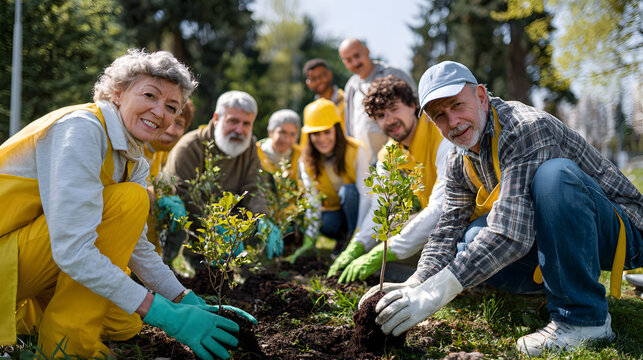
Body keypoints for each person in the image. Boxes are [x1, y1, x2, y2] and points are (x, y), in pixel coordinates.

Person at [361, 61, 643, 356]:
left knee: (554, 176)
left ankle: (586, 320)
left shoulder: (526, 128)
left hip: (622, 232)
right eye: (439, 116)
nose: (453, 122)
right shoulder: (459, 157)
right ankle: (559, 286)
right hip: (571, 237)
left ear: (481, 96)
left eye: (458, 105)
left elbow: (511, 233)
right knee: (470, 237)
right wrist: (418, 281)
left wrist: (434, 295)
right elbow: (447, 227)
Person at [0, 49, 256, 360]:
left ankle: (22, 319)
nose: (160, 112)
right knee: (132, 201)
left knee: (125, 323)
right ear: (118, 93)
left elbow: (135, 244)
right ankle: (68, 348)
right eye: (150, 95)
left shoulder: (132, 158)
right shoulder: (82, 129)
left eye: (171, 106)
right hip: (7, 260)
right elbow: (73, 250)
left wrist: (182, 298)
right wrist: (162, 313)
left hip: (26, 260)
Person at [328, 75, 453, 283]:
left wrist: (378, 256)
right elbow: (381, 208)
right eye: (381, 115)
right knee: (395, 233)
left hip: (462, 218)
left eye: (394, 109)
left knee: (394, 249)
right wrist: (358, 245)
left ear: (412, 105)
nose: (390, 120)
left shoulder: (440, 134)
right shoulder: (389, 153)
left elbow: (441, 208)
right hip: (435, 219)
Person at [162, 90, 282, 266]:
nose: (239, 130)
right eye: (233, 121)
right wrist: (216, 229)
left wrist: (262, 217)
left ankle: (251, 274)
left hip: (227, 222)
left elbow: (254, 187)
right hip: (196, 224)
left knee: (257, 227)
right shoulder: (190, 148)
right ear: (217, 118)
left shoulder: (248, 147)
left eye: (246, 123)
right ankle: (178, 266)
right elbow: (184, 196)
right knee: (175, 217)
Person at [293, 98, 371, 260]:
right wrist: (310, 240)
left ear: (337, 129)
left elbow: (366, 195)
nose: (322, 139)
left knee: (348, 192)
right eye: (315, 134)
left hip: (356, 209)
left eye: (327, 132)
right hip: (334, 213)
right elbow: (313, 201)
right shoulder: (305, 161)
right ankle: (342, 240)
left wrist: (359, 236)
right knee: (325, 223)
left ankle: (352, 240)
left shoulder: (357, 150)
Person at [339, 38, 416, 164]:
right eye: (348, 60)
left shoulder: (392, 73)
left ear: (367, 51)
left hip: (399, 160)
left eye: (357, 56)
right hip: (366, 164)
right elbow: (349, 125)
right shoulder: (351, 86)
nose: (355, 62)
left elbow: (416, 110)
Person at [145, 99, 194, 254]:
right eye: (168, 121)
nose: (171, 130)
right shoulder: (134, 148)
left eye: (178, 124)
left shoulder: (162, 154)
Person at [256, 109, 301, 180]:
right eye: (282, 132)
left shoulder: (301, 155)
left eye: (292, 134)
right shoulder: (255, 153)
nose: (287, 140)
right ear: (270, 132)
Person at [302, 58, 345, 131]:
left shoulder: (347, 99)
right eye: (313, 79)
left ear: (330, 74)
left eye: (321, 76)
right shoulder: (310, 110)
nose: (318, 81)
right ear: (308, 84)